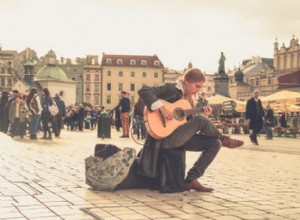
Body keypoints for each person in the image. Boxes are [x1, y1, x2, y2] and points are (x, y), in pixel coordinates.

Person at [138, 68, 244, 192]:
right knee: (201, 119)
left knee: (215, 143)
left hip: (178, 138)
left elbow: (188, 125)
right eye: (197, 86)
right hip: (165, 139)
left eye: (200, 87)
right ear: (187, 82)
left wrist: (205, 115)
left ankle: (191, 179)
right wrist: (161, 108)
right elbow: (144, 90)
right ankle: (224, 138)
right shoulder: (171, 88)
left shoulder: (189, 101)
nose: (198, 90)